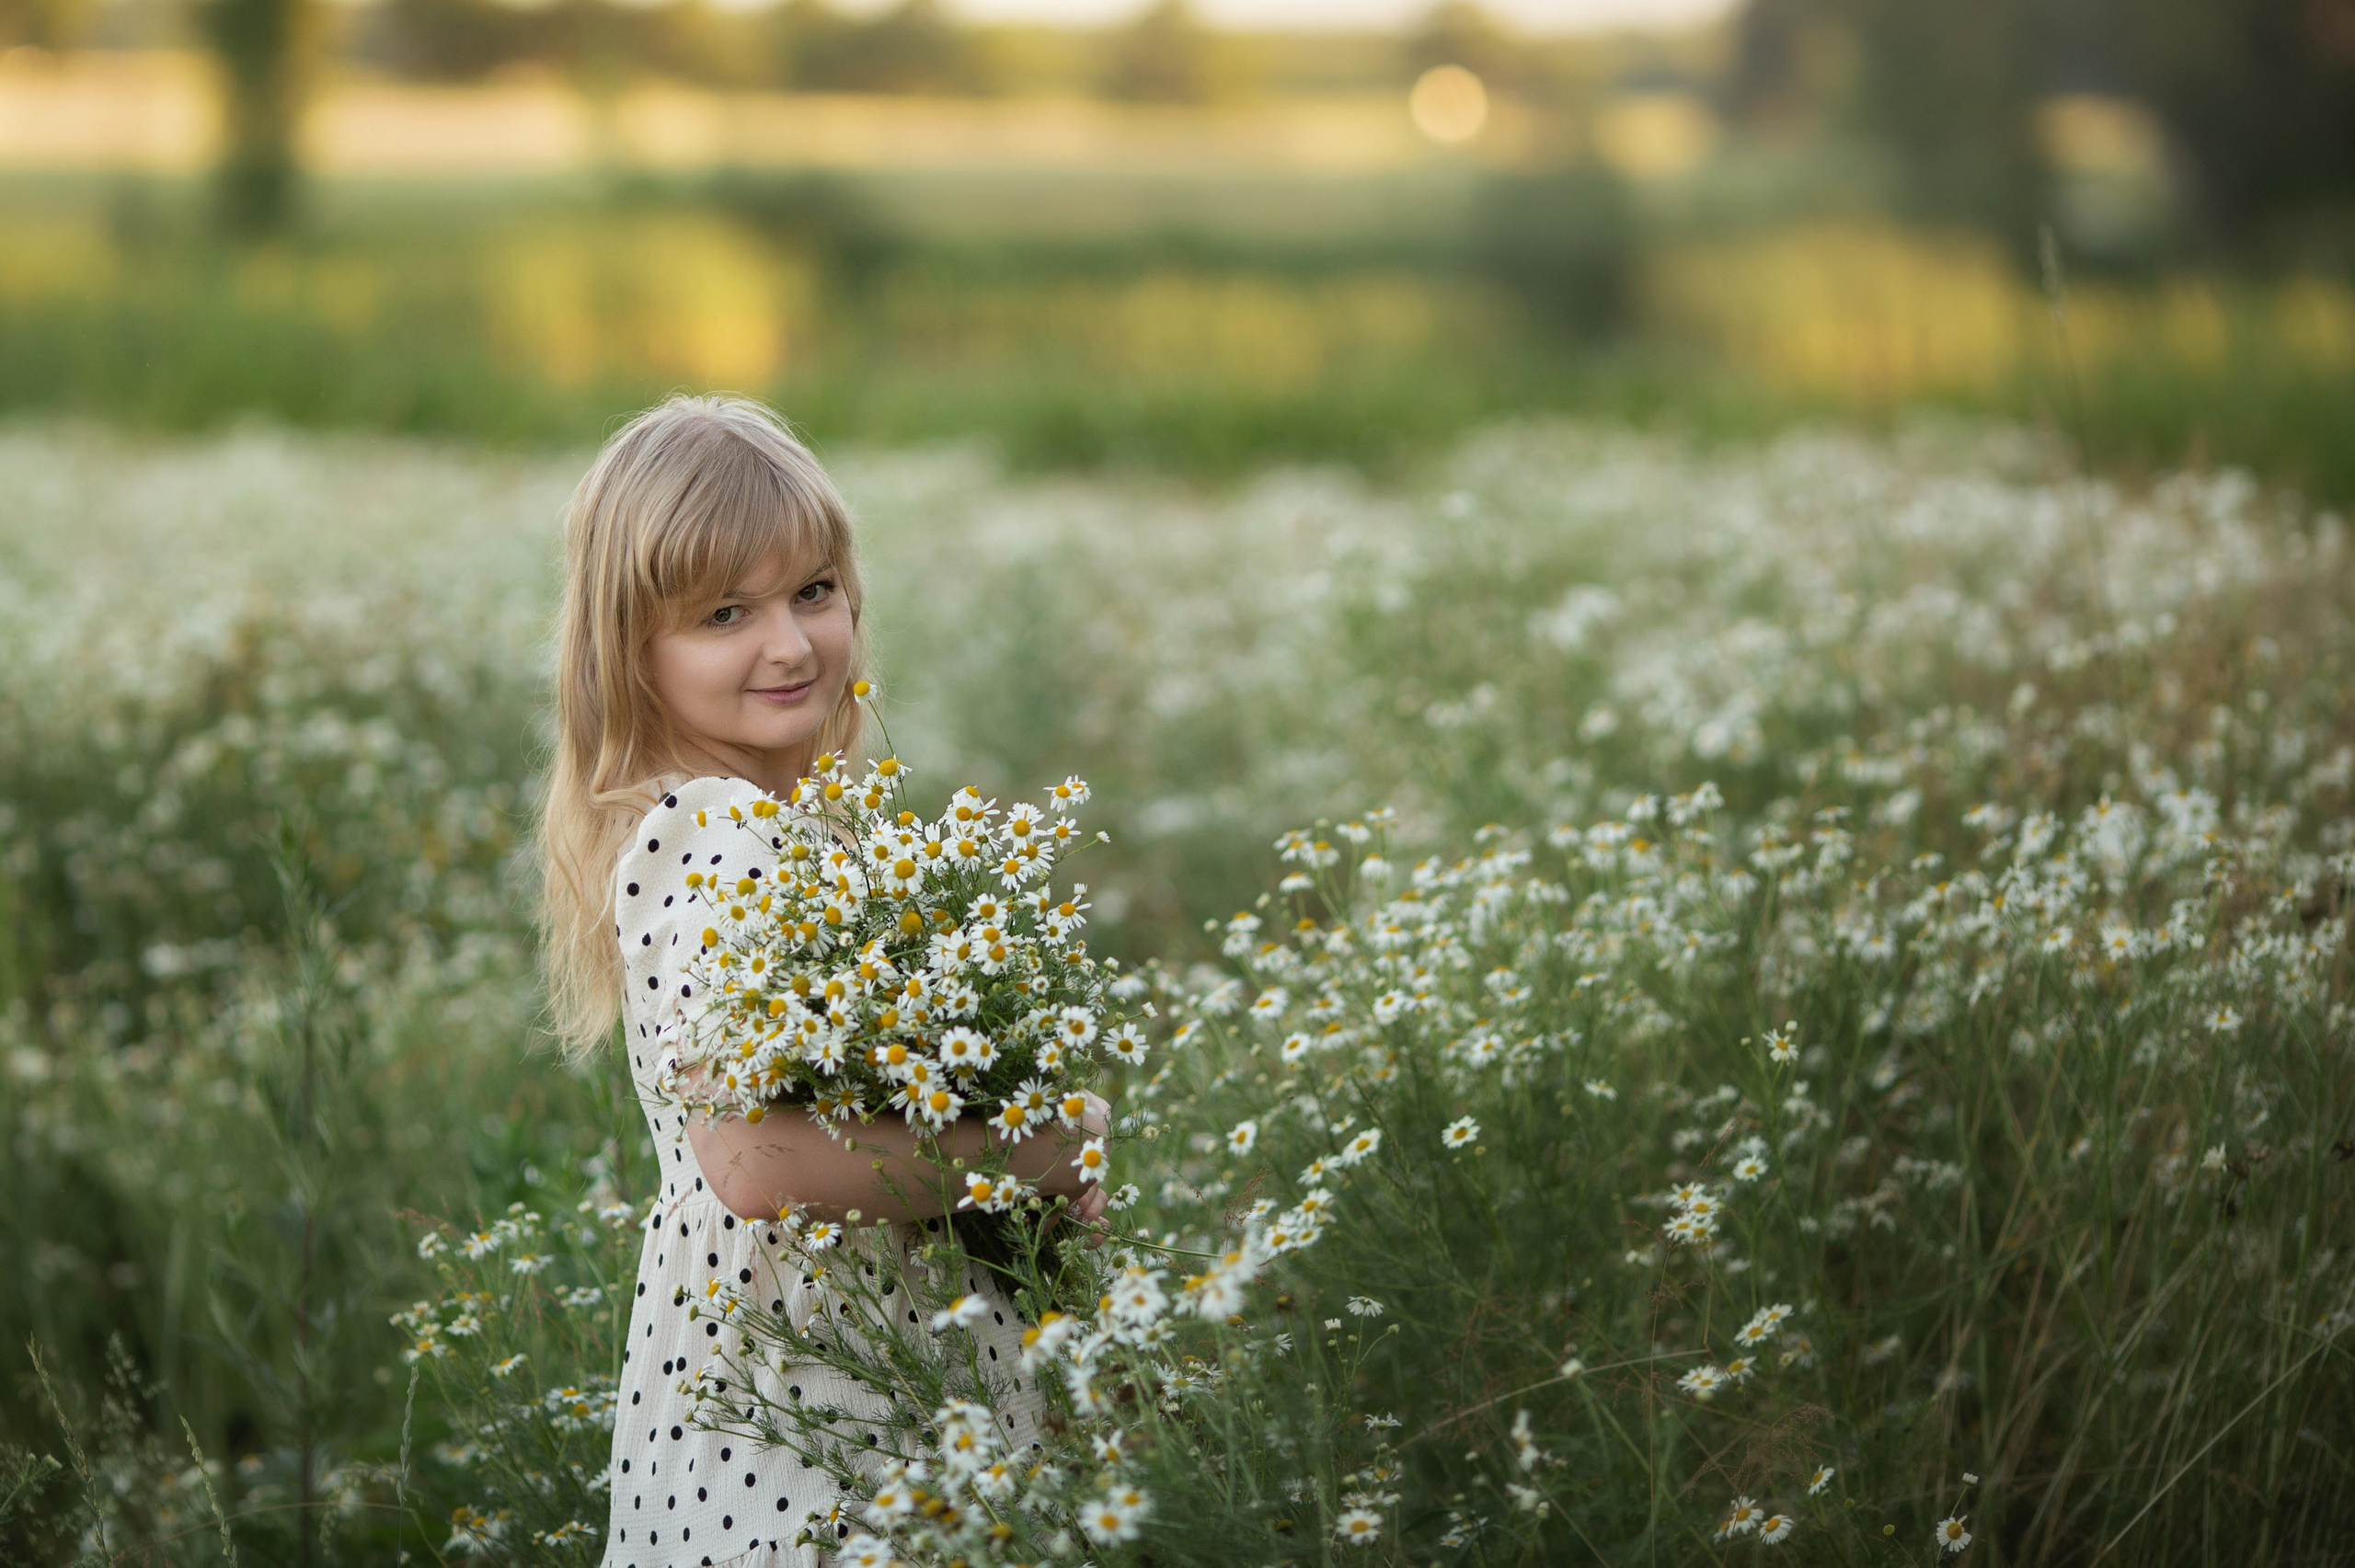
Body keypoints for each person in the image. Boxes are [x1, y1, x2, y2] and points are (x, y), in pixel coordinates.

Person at [538, 395, 1109, 1568]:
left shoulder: (803, 832)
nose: (791, 644)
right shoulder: (715, 836)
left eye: (813, 591)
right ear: (630, 656)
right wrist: (1043, 1147)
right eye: (723, 614)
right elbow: (753, 1159)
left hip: (858, 1405)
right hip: (801, 1440)